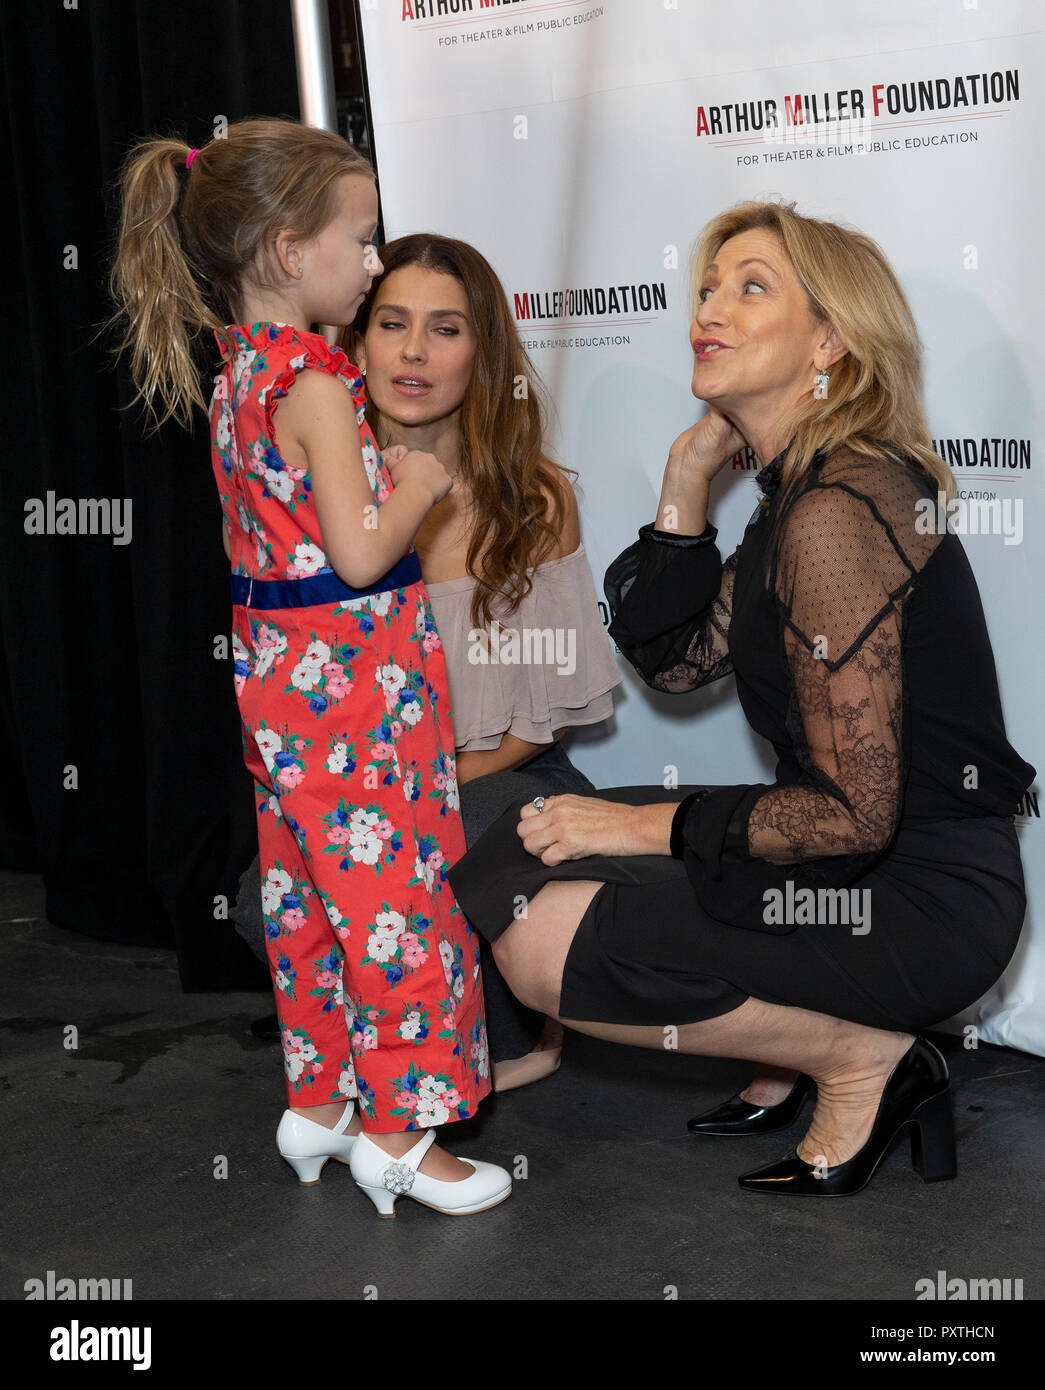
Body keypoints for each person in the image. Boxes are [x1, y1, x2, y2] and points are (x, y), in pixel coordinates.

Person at [447, 199, 1034, 1197]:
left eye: (750, 287)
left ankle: (857, 1056)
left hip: (918, 893)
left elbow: (853, 815)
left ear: (832, 340)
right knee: (513, 834)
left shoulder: (840, 509)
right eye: (709, 286)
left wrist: (643, 831)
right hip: (848, 857)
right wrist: (685, 483)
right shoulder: (795, 496)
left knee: (548, 939)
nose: (708, 308)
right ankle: (796, 1044)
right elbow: (677, 665)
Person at [109, 117, 511, 1217]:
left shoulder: (240, 373)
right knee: (398, 898)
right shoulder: (321, 389)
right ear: (292, 251)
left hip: (282, 687)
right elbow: (358, 551)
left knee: (304, 894)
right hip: (355, 686)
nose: (375, 259)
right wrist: (421, 488)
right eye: (362, 239)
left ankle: (320, 1102)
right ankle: (400, 1134)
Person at [230, 234, 622, 1092]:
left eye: (444, 329)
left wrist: (424, 787)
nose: (412, 352)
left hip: (497, 771)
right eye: (391, 323)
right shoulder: (325, 488)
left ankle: (517, 1036)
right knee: (263, 902)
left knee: (438, 864)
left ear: (482, 354)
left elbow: (542, 719)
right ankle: (394, 1042)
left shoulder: (534, 497)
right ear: (355, 341)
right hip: (360, 779)